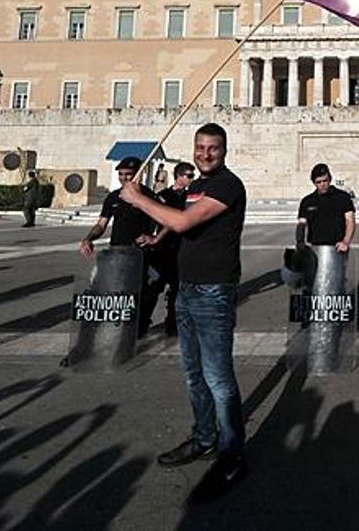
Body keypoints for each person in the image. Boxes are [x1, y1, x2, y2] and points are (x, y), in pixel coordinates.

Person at [120, 123, 248, 502]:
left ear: (224, 151)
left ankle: (232, 454)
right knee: (194, 375)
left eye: (213, 148)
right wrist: (152, 220)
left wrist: (137, 198)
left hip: (213, 290)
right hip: (188, 288)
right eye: (200, 147)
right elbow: (175, 222)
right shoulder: (196, 186)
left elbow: (183, 221)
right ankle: (205, 438)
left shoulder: (228, 185)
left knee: (218, 379)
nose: (205, 154)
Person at [78, 156, 157, 337]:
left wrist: (153, 238)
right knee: (102, 294)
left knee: (137, 296)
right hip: (116, 254)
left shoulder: (149, 197)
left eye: (128, 174)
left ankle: (135, 331)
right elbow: (101, 224)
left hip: (139, 255)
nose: (124, 178)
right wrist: (88, 239)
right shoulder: (114, 197)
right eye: (121, 174)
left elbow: (165, 221)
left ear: (139, 174)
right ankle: (93, 338)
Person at [138, 161, 196, 336]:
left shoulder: (191, 197)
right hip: (162, 250)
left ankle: (172, 324)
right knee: (153, 288)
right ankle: (141, 325)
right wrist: (151, 237)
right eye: (189, 175)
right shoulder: (164, 196)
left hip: (182, 248)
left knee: (177, 290)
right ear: (179, 176)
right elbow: (159, 219)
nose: (192, 179)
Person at [296, 163, 356, 252]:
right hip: (315, 247)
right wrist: (300, 242)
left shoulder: (343, 197)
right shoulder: (307, 201)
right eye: (319, 182)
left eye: (325, 181)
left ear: (330, 179)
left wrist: (345, 242)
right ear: (313, 183)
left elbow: (350, 221)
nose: (322, 184)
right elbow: (301, 223)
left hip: (338, 247)